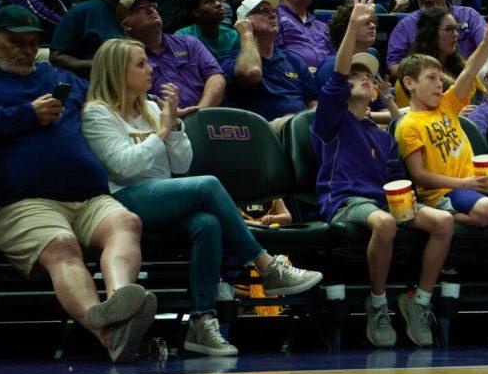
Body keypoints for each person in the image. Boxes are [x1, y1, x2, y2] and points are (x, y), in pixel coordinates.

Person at [0, 5, 154, 364]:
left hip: (87, 196)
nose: (25, 50)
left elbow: (106, 96)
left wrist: (152, 111)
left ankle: (119, 303)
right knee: (62, 246)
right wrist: (26, 115)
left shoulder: (52, 73)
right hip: (19, 201)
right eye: (15, 42)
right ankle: (109, 334)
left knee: (126, 222)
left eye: (33, 43)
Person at [82, 37, 321, 356]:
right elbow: (124, 167)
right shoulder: (97, 114)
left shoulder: (152, 108)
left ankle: (201, 323)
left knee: (207, 224)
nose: (150, 68)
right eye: (140, 64)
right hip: (124, 200)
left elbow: (181, 164)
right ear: (116, 72)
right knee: (208, 184)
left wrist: (176, 126)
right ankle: (265, 264)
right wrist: (163, 132)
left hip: (163, 196)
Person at [312, 0, 454, 347]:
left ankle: (418, 301)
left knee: (443, 221)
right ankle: (377, 302)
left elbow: (396, 183)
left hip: (382, 201)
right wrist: (354, 26)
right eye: (355, 74)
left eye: (368, 75)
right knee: (385, 221)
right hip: (345, 202)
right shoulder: (332, 121)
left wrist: (412, 203)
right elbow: (335, 76)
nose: (361, 78)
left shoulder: (383, 135)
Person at [397, 16, 488, 228]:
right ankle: (441, 219)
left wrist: (487, 43)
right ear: (409, 83)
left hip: (473, 186)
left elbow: (469, 71)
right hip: (443, 192)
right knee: (487, 209)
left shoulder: (446, 104)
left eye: (441, 79)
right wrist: (463, 183)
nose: (439, 85)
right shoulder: (408, 124)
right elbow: (419, 176)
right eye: (431, 78)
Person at [221, 0, 319, 131]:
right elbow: (251, 73)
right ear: (245, 21)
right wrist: (247, 34)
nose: (273, 15)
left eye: (273, 11)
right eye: (263, 11)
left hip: (300, 130)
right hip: (260, 133)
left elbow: (313, 101)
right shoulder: (231, 60)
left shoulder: (293, 60)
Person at [117, 0, 225, 114]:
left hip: (205, 116)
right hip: (157, 122)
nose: (150, 10)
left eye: (152, 6)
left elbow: (216, 77)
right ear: (126, 25)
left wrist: (199, 113)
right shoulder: (124, 57)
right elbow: (134, 96)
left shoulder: (188, 42)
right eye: (140, 9)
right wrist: (171, 113)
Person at [386, 0, 485, 75]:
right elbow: (393, 66)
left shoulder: (469, 16)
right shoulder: (405, 25)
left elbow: (487, 50)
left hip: (467, 78)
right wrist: (423, 75)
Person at [50, 0, 137, 77]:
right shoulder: (82, 11)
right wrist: (99, 65)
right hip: (93, 85)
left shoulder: (138, 14)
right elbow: (57, 58)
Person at [273, 0, 332, 72]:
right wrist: (300, 70)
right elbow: (273, 55)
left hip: (324, 79)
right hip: (291, 79)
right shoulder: (273, 17)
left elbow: (333, 56)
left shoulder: (321, 25)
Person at [176, 0, 240, 58]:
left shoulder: (233, 36)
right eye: (209, 2)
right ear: (196, 11)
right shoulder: (182, 37)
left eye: (219, 0)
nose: (218, 4)